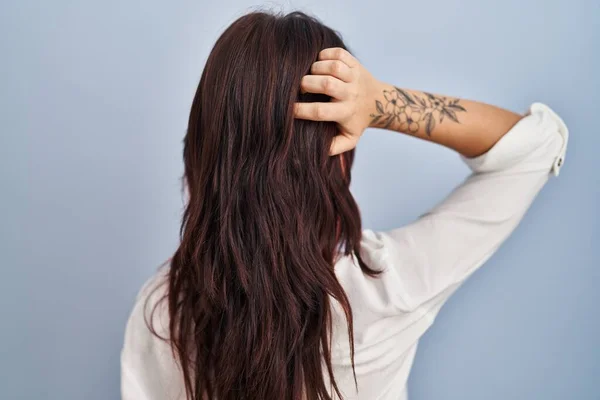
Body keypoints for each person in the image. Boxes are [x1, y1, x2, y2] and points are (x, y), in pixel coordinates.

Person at [120, 10, 569, 400]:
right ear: (335, 158)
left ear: (204, 144)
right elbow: (536, 146)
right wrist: (381, 103)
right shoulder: (386, 289)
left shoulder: (163, 309)